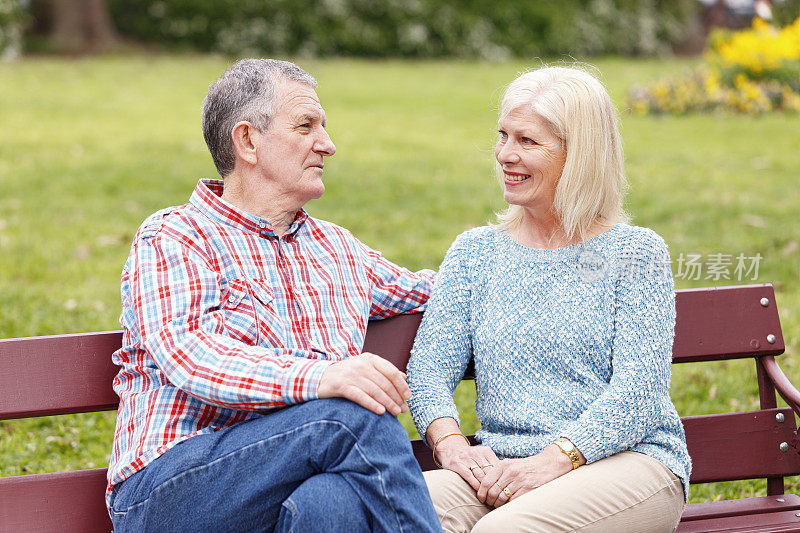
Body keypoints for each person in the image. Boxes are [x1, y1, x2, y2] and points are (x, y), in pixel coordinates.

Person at [107, 59, 442, 533]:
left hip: (298, 472)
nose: (327, 144)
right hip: (170, 491)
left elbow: (437, 292)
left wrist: (542, 253)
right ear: (247, 141)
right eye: (306, 126)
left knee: (331, 502)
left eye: (323, 127)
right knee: (351, 416)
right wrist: (323, 376)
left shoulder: (337, 248)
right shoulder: (176, 237)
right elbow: (193, 356)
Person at [407, 66, 692, 532]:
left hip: (627, 463)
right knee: (393, 510)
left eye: (527, 142)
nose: (504, 154)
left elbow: (638, 393)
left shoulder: (634, 253)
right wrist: (451, 445)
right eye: (503, 136)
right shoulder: (474, 253)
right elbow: (429, 369)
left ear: (580, 155)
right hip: (502, 467)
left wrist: (554, 459)